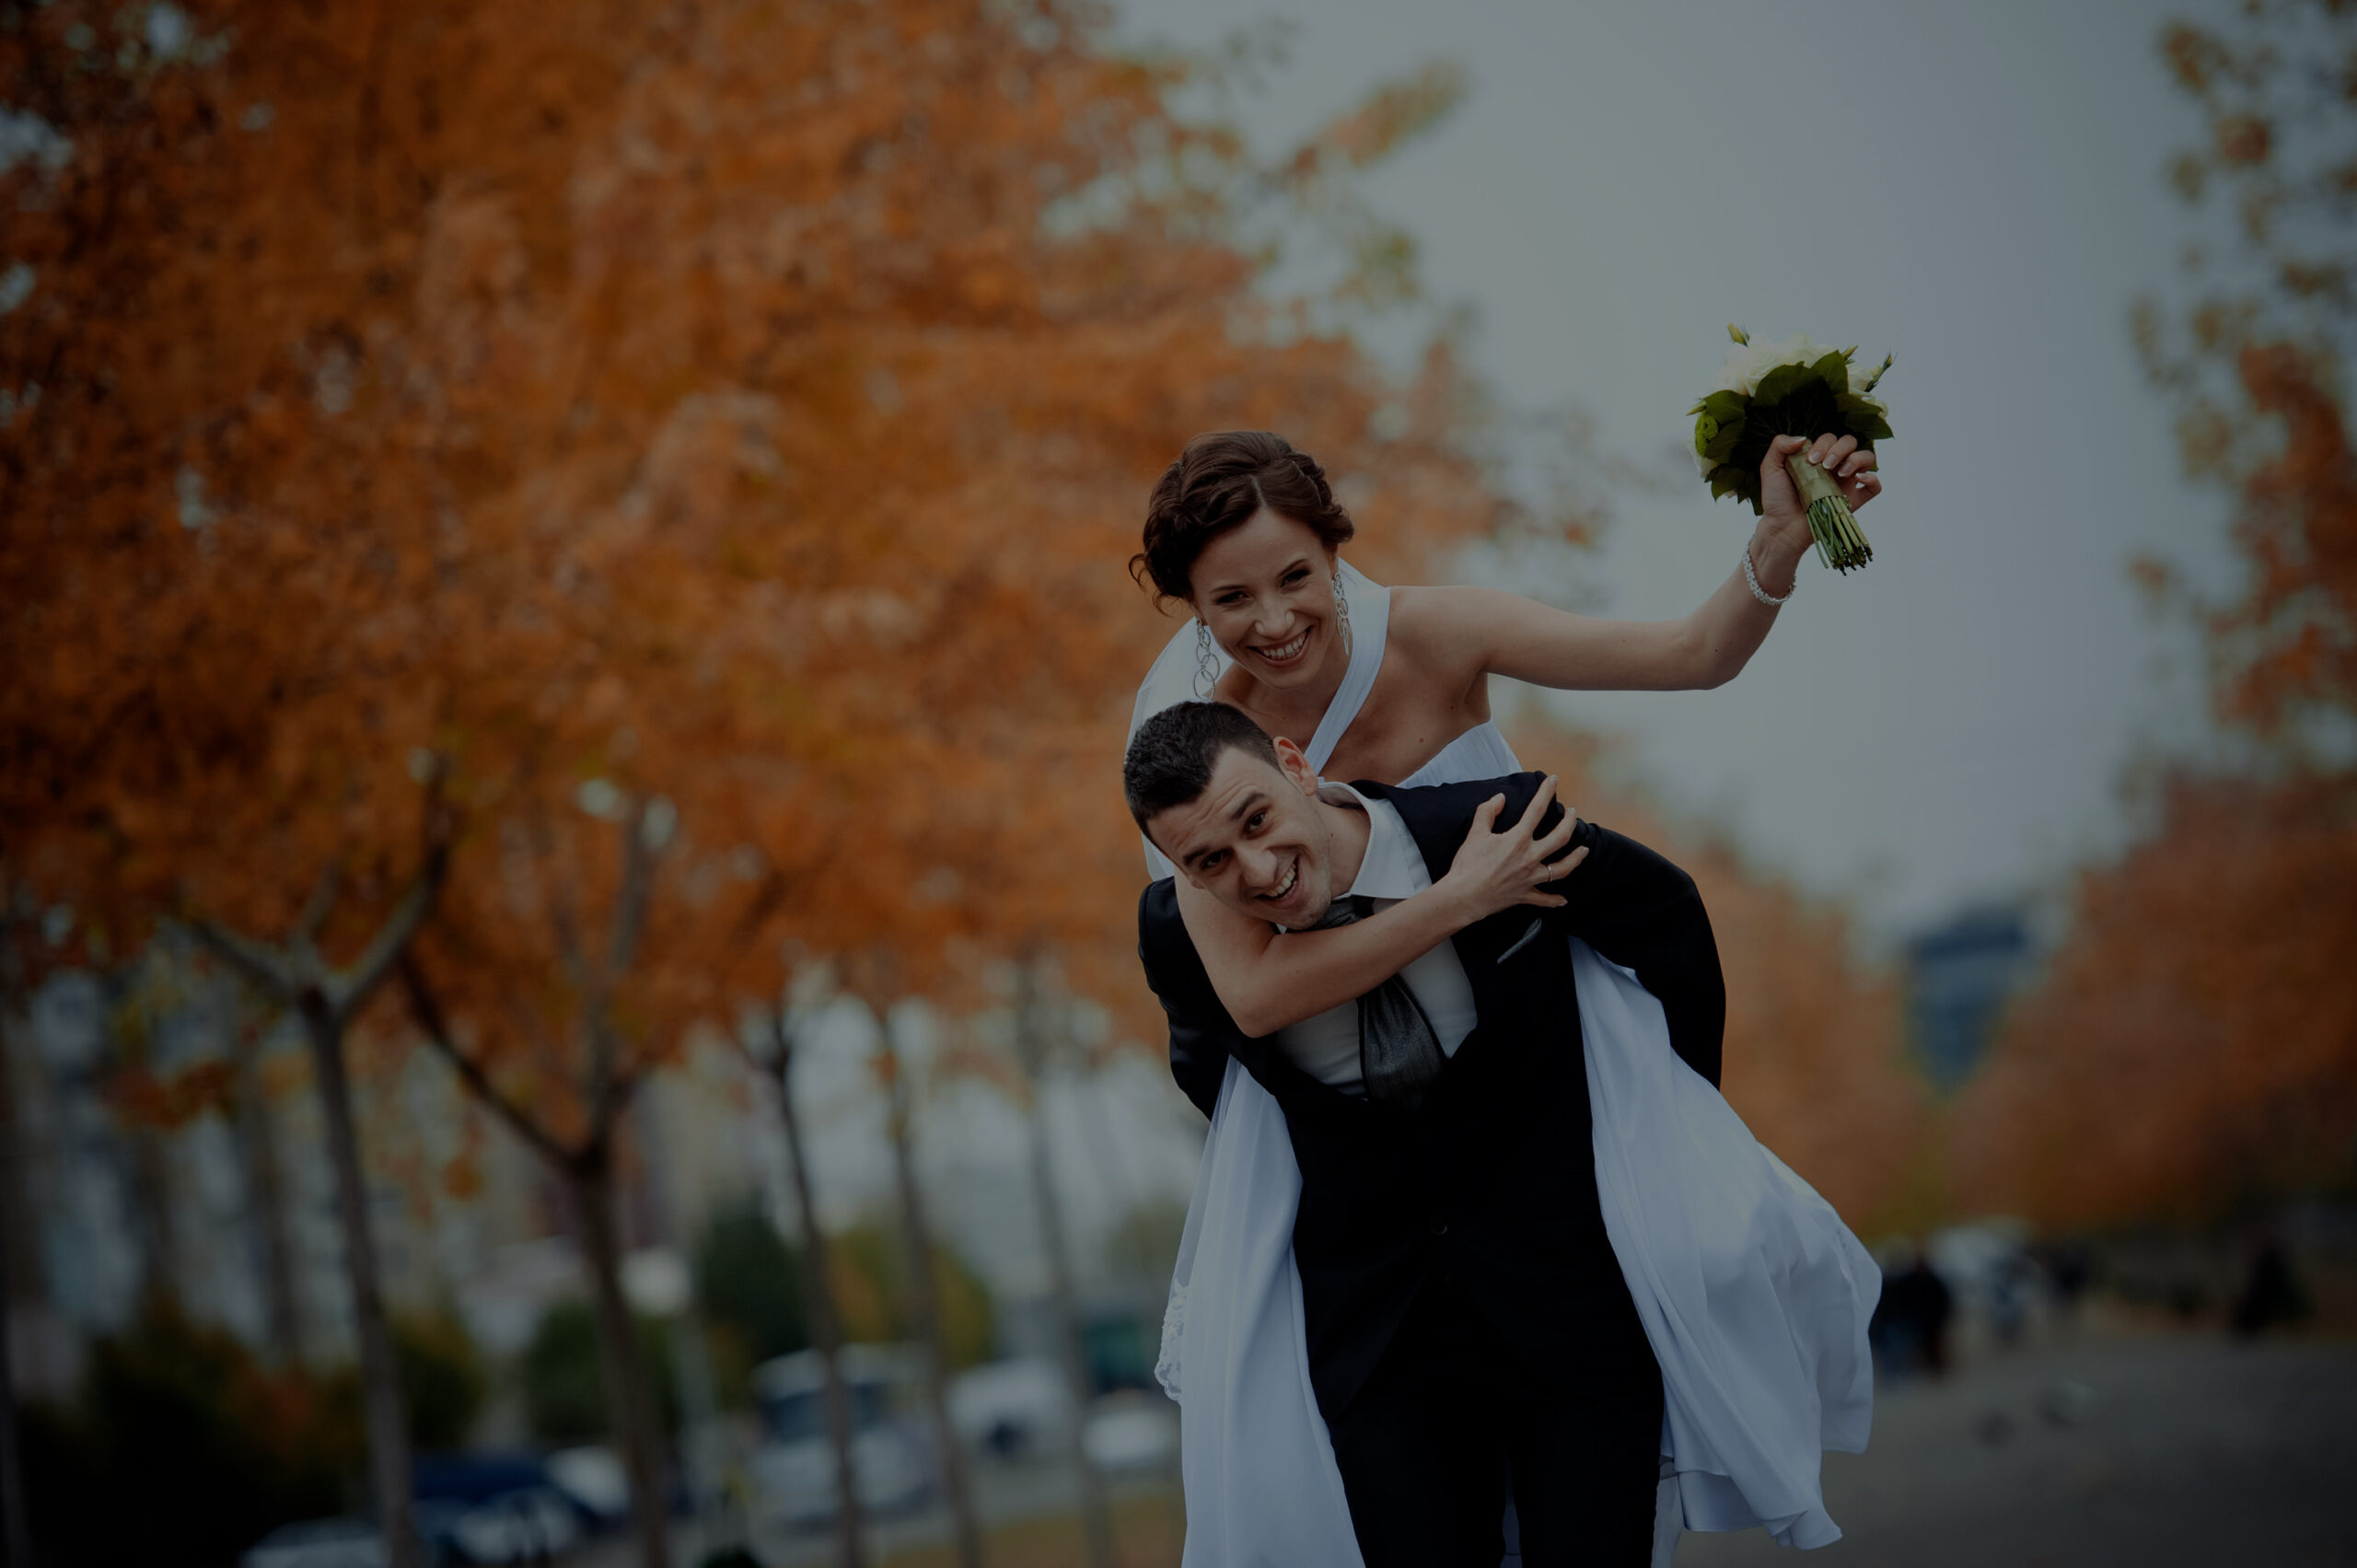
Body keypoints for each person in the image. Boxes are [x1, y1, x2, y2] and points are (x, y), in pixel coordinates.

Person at [1128, 430, 1883, 1565]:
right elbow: (1238, 994)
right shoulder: (1210, 766)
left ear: (1337, 550)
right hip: (1351, 1071)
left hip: (1533, 987)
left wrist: (1773, 544)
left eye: (1294, 576)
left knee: (1683, 1262)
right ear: (1192, 610)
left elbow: (1690, 654)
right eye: (1230, 599)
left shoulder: (1439, 632)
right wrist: (1447, 912)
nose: (1273, 619)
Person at [1129, 702, 1725, 1564]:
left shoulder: (1495, 829)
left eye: (1256, 819)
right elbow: (1214, 1081)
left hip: (1573, 1308)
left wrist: (1675, 1131)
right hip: (1379, 1349)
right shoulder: (1181, 940)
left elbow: (1666, 919)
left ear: (1295, 764)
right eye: (1209, 861)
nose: (1257, 870)